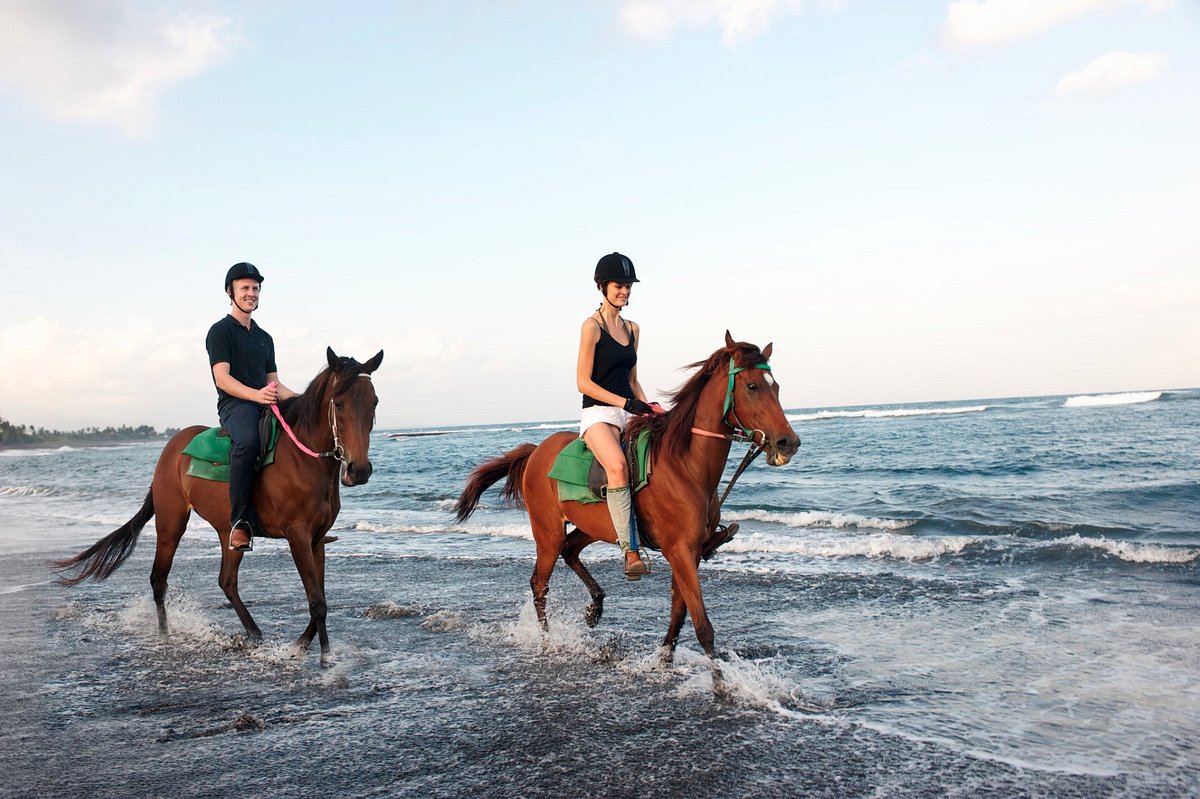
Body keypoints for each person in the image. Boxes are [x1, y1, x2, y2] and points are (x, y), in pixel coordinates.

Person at [576, 252, 663, 580]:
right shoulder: (592, 326)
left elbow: (633, 381)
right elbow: (583, 382)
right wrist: (626, 405)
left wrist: (650, 408)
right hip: (598, 414)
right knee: (617, 466)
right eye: (619, 285)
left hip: (628, 410)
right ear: (602, 287)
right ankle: (630, 551)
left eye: (628, 286)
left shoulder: (633, 328)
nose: (624, 291)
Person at [205, 262, 298, 552]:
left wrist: (305, 401)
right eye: (245, 287)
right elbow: (222, 378)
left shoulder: (265, 338)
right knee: (248, 443)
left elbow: (275, 384)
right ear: (230, 292)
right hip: (236, 405)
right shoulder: (220, 332)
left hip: (264, 401)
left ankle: (306, 516)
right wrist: (256, 396)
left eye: (255, 288)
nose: (251, 293)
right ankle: (240, 523)